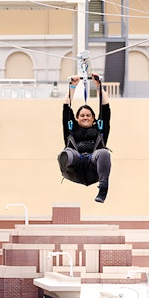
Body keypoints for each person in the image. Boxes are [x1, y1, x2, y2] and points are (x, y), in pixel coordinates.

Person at [57, 74, 112, 203]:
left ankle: (103, 188)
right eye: (82, 115)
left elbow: (105, 108)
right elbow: (66, 109)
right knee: (67, 153)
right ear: (76, 118)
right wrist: (73, 86)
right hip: (76, 165)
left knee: (104, 153)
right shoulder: (71, 128)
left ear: (94, 119)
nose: (85, 117)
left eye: (88, 115)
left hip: (94, 165)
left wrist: (98, 86)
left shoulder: (99, 129)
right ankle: (64, 163)